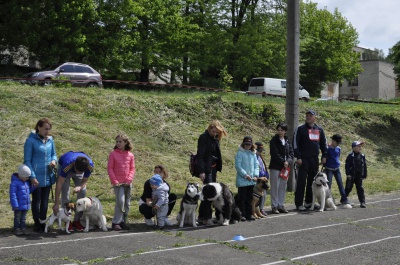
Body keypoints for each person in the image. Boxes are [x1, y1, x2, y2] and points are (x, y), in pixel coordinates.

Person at [23, 118, 57, 232]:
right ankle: (36, 222)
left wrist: (54, 161)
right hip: (36, 176)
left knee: (45, 201)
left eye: (49, 129)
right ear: (39, 127)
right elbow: (27, 160)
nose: (48, 131)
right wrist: (32, 176)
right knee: (36, 201)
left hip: (47, 175)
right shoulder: (30, 141)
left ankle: (43, 221)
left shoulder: (51, 140)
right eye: (46, 129)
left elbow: (54, 155)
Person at [293, 110, 327, 211]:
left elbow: (323, 144)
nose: (308, 117)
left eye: (310, 116)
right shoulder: (300, 129)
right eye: (307, 116)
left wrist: (324, 156)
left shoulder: (319, 129)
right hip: (303, 159)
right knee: (301, 182)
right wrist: (298, 157)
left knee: (312, 182)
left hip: (314, 159)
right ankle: (299, 204)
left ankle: (308, 202)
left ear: (314, 117)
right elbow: (295, 144)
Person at [195, 120, 227, 225]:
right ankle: (207, 217)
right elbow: (200, 155)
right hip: (206, 169)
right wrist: (201, 171)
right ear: (209, 129)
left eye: (217, 132)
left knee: (208, 192)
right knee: (209, 193)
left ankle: (202, 216)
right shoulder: (203, 138)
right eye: (213, 131)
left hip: (213, 168)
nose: (215, 134)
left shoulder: (215, 139)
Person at [52, 151, 94, 232]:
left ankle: (77, 220)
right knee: (65, 193)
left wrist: (80, 186)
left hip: (78, 167)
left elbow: (84, 181)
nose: (78, 173)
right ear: (74, 165)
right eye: (77, 170)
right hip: (66, 168)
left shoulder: (90, 166)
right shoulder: (67, 164)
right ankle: (66, 220)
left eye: (81, 172)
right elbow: (59, 184)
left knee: (83, 192)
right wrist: (56, 203)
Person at [107, 134, 135, 231]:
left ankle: (124, 220)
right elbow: (110, 168)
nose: (118, 143)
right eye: (117, 142)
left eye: (120, 142)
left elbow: (132, 169)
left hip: (127, 183)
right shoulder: (113, 154)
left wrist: (129, 179)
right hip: (118, 183)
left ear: (126, 143)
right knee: (120, 201)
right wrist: (115, 181)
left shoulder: (130, 155)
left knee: (127, 203)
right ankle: (116, 222)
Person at [269, 122, 294, 214]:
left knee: (283, 186)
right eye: (278, 130)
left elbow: (291, 153)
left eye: (282, 130)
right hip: (275, 166)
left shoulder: (287, 141)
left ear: (285, 131)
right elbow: (274, 154)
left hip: (285, 168)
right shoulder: (273, 140)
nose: (280, 132)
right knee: (275, 186)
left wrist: (288, 161)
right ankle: (274, 206)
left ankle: (281, 205)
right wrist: (283, 162)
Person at [235, 136, 259, 221]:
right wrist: (245, 175)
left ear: (251, 145)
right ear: (243, 144)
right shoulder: (240, 153)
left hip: (251, 180)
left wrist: (256, 175)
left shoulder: (253, 153)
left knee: (249, 198)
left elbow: (256, 165)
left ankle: (249, 214)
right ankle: (242, 214)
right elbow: (238, 166)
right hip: (242, 180)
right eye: (246, 144)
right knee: (242, 198)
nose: (247, 146)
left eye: (249, 144)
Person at [9, 165, 35, 236]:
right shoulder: (14, 183)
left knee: (23, 218)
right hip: (18, 205)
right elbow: (12, 194)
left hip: (25, 204)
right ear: (21, 175)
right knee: (17, 217)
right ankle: (17, 229)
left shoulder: (26, 182)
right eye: (26, 177)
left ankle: (23, 228)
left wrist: (34, 186)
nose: (27, 178)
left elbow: (28, 191)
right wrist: (15, 204)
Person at [325, 134, 349, 205]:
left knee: (340, 184)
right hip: (329, 169)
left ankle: (344, 199)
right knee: (328, 185)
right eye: (337, 142)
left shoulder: (338, 148)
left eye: (339, 143)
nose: (338, 144)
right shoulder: (328, 148)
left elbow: (338, 156)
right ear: (333, 141)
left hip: (337, 169)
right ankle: (327, 200)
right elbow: (325, 157)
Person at [345, 141, 367, 208]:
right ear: (354, 148)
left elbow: (364, 165)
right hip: (351, 176)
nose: (360, 148)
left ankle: (362, 202)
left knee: (360, 188)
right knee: (348, 188)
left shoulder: (362, 156)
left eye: (360, 146)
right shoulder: (350, 156)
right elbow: (347, 166)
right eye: (358, 146)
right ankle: (343, 199)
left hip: (359, 176)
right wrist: (348, 174)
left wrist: (364, 174)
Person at [255, 142, 270, 216]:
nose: (260, 152)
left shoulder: (260, 157)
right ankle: (257, 210)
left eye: (261, 150)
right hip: (258, 179)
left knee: (264, 195)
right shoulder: (254, 157)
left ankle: (261, 208)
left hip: (263, 178)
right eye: (259, 150)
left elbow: (264, 167)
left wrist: (267, 175)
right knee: (258, 196)